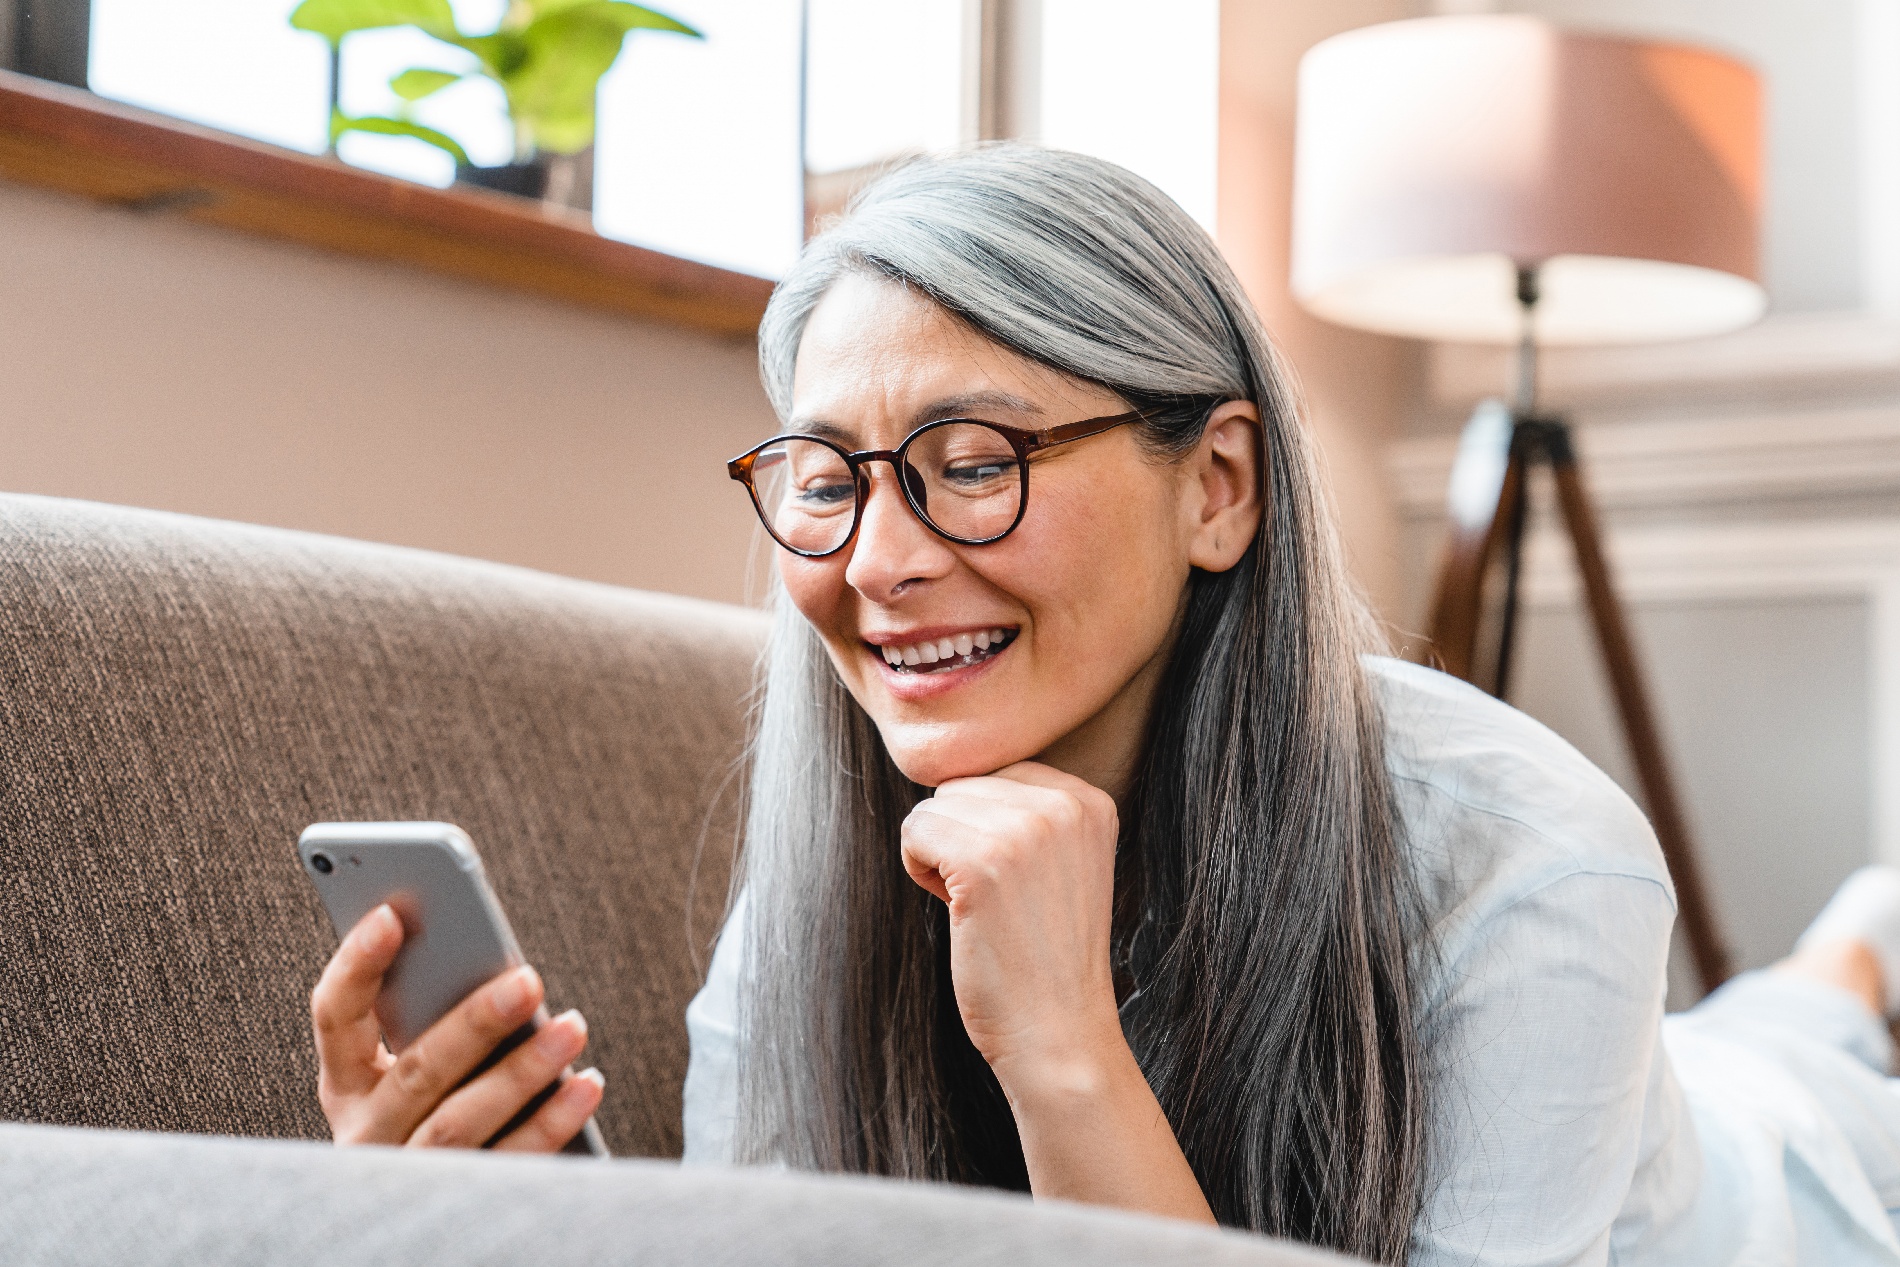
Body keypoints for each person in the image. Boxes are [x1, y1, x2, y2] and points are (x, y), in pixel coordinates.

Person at [308, 146, 1900, 1267]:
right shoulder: (839, 845)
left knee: (1807, 1059)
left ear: (1217, 488)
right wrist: (424, 1229)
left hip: (1795, 1202)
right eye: (829, 478)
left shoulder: (1534, 861)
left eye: (975, 463)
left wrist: (1064, 1047)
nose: (879, 561)